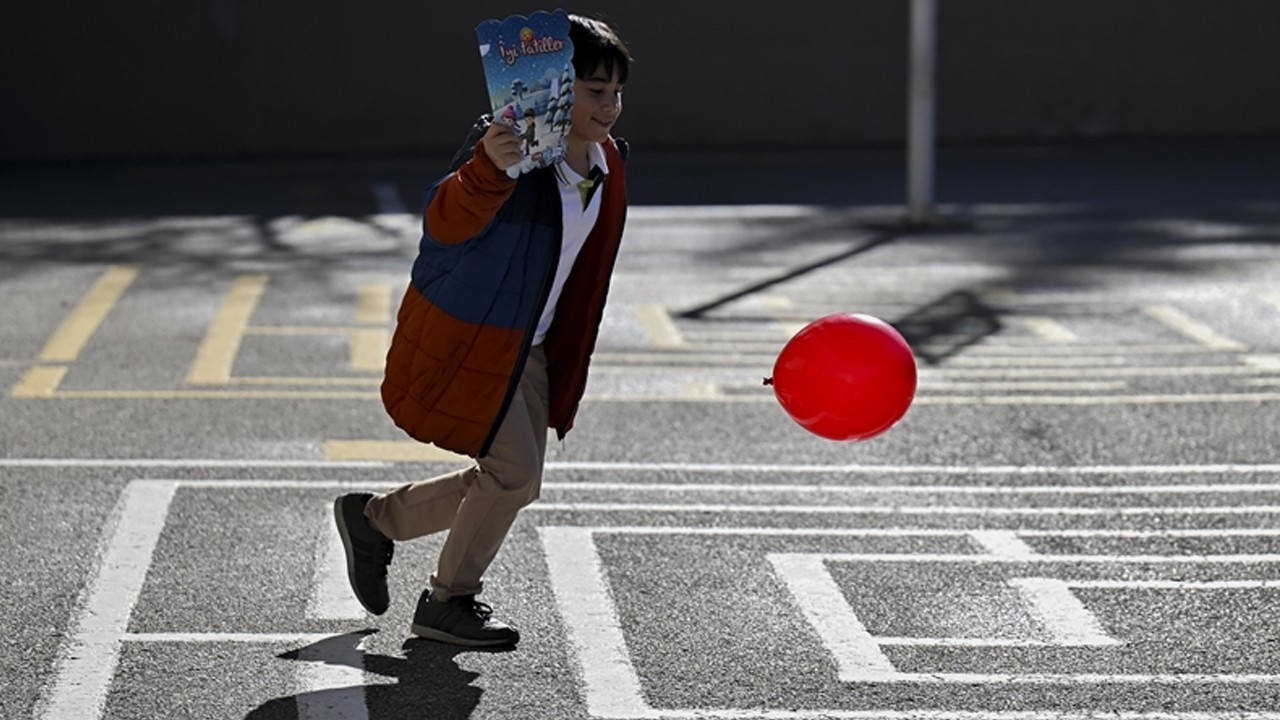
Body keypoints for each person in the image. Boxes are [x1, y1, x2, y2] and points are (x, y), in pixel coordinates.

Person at [333, 14, 631, 649]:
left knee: (510, 480)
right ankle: (448, 601)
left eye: (615, 92)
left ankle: (374, 520)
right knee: (514, 477)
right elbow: (445, 221)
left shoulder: (607, 164)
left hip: (535, 346)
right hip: (479, 338)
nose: (608, 106)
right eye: (593, 90)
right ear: (556, 86)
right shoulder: (511, 149)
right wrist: (487, 170)